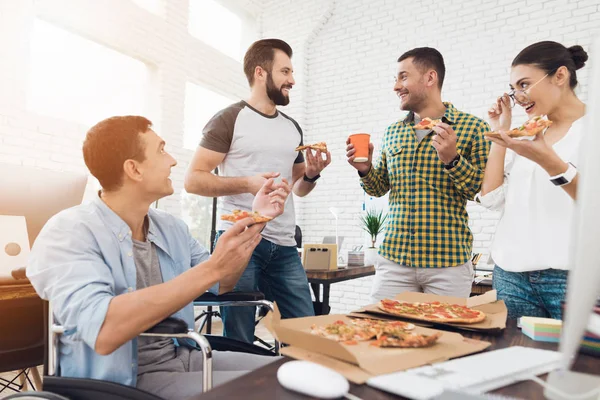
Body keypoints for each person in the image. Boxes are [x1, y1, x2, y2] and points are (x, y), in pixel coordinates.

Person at [27, 116, 290, 399]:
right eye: (162, 150)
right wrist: (212, 269)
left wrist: (258, 217)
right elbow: (103, 331)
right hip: (122, 383)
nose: (173, 161)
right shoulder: (69, 231)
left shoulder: (170, 227)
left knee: (297, 374)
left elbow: (223, 281)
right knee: (278, 393)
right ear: (134, 169)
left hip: (183, 355)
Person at [184, 39, 330, 343]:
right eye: (285, 71)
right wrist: (248, 183)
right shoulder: (228, 119)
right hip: (240, 241)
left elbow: (298, 190)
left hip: (285, 246)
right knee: (239, 341)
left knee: (306, 334)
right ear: (261, 73)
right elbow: (193, 180)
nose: (292, 80)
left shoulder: (292, 128)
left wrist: (312, 175)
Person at [346, 47, 490, 301]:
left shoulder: (474, 128)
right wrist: (365, 169)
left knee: (444, 338)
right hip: (394, 261)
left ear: (430, 78)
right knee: (381, 335)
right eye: (395, 79)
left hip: (447, 264)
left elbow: (482, 191)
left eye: (403, 77)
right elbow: (379, 188)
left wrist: (453, 160)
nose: (395, 87)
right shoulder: (393, 132)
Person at [477, 41, 587, 319]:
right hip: (511, 277)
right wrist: (501, 132)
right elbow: (491, 198)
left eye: (524, 84)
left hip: (573, 279)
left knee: (581, 364)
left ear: (560, 76)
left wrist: (549, 161)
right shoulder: (528, 134)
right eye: (513, 89)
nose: (518, 96)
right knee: (517, 361)